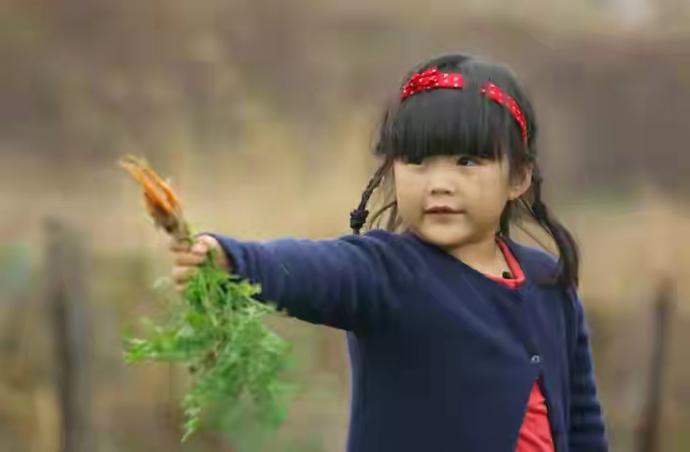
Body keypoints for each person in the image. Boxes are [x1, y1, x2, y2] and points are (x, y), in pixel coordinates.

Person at [169, 53, 609, 452]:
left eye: (468, 162)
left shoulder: (548, 282)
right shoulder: (388, 273)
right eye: (417, 161)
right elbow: (317, 269)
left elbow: (583, 420)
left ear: (518, 177)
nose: (439, 182)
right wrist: (233, 261)